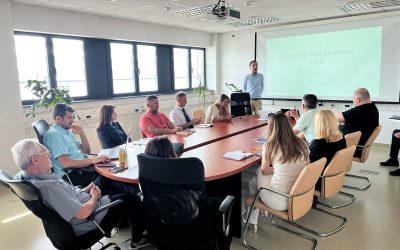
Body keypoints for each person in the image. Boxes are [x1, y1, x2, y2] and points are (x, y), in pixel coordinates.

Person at [10, 139, 149, 249]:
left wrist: (86, 190)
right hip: (91, 218)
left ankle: (136, 193)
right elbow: (82, 214)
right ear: (35, 160)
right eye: (47, 154)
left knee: (106, 177)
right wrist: (94, 197)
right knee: (129, 200)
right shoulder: (48, 187)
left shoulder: (27, 177)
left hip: (81, 200)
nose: (51, 156)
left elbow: (66, 198)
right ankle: (136, 240)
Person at [144, 136, 232, 250]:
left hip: (163, 230)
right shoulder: (186, 173)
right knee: (218, 203)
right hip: (196, 232)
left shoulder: (147, 175)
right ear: (172, 152)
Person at [245, 112, 309, 234]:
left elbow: (264, 170)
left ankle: (251, 221)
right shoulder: (302, 143)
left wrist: (278, 169)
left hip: (279, 201)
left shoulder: (269, 145)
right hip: (300, 196)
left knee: (256, 176)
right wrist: (281, 169)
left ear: (271, 127)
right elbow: (306, 167)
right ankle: (252, 219)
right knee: (258, 179)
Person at [43, 103, 110, 187]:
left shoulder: (66, 132)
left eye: (73, 117)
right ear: (58, 119)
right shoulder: (55, 135)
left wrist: (82, 134)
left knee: (109, 168)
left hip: (81, 168)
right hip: (72, 175)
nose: (72, 120)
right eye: (69, 117)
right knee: (109, 176)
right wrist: (93, 160)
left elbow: (86, 151)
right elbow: (66, 163)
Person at [335, 88, 379, 156]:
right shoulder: (372, 108)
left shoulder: (360, 110)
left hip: (351, 147)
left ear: (358, 99)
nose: (353, 101)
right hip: (357, 144)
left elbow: (338, 117)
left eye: (353, 99)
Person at [309, 110, 347, 188]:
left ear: (318, 124)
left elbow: (308, 166)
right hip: (333, 177)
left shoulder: (318, 144)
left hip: (318, 181)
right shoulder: (342, 138)